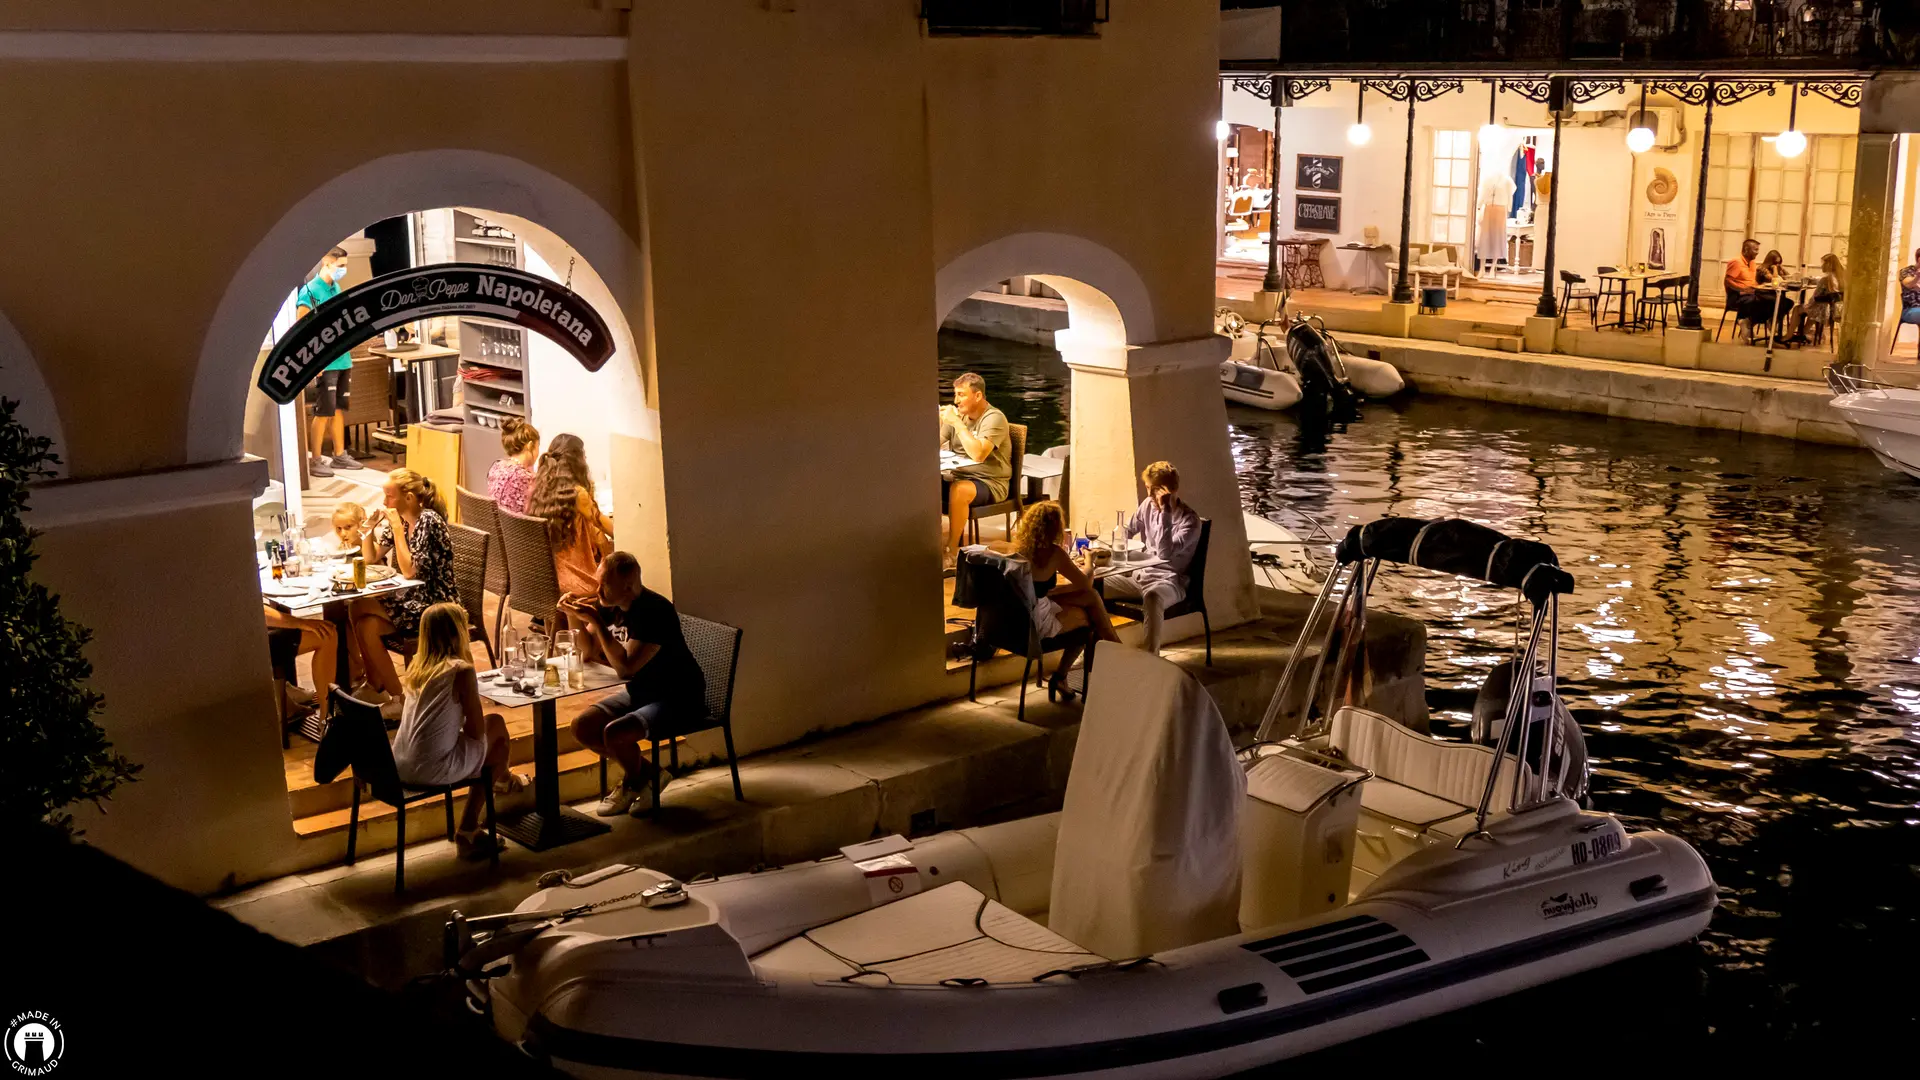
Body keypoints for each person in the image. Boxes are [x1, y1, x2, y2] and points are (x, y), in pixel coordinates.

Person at [564, 553, 707, 816]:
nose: (597, 591)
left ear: (627, 586)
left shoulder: (655, 612)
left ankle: (633, 782)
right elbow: (587, 651)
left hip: (678, 696)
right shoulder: (613, 604)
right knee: (582, 726)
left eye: (603, 584)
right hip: (643, 691)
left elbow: (625, 668)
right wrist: (572, 616)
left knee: (615, 734)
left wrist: (596, 621)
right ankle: (648, 777)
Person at [389, 602, 527, 860]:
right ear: (458, 634)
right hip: (433, 770)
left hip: (399, 766)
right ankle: (473, 821)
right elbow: (476, 732)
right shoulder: (460, 671)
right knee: (496, 727)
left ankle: (503, 782)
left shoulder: (418, 666)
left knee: (494, 741)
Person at [349, 468, 458, 716]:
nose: (385, 502)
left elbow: (410, 571)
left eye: (389, 496)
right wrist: (367, 530)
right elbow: (371, 558)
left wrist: (398, 528)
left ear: (408, 497)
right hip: (409, 598)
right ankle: (382, 688)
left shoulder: (428, 521)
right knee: (360, 615)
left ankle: (395, 696)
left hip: (433, 604)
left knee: (360, 606)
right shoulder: (399, 521)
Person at [1010, 500, 1118, 701]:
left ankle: (1113, 653)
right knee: (1088, 619)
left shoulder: (1018, 548)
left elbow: (1038, 587)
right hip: (1036, 622)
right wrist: (1089, 561)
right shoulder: (1053, 553)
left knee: (1091, 598)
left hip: (1018, 615)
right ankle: (1115, 654)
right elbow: (1086, 582)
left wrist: (1054, 590)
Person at [1103, 460, 1201, 655]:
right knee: (1096, 582)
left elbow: (1165, 554)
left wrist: (1165, 512)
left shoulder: (1190, 521)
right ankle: (1101, 648)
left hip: (1170, 582)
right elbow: (1128, 530)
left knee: (1153, 597)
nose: (1148, 495)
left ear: (1170, 490)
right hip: (1140, 577)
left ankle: (1151, 657)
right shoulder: (1147, 505)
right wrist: (1108, 545)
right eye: (1147, 488)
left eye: (1154, 489)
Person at [938, 372, 1012, 569]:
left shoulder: (994, 418)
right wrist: (936, 422)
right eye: (955, 395)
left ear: (977, 395)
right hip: (958, 475)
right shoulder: (958, 417)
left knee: (959, 490)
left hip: (990, 482)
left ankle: (951, 551)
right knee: (925, 481)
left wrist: (958, 424)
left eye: (961, 395)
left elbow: (978, 454)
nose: (956, 401)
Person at [528, 433, 615, 600]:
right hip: (574, 577)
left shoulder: (541, 486)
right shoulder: (577, 493)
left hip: (547, 575)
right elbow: (610, 529)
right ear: (578, 460)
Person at [298, 248, 359, 477]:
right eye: (340, 265)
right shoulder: (310, 292)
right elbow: (301, 329)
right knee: (323, 411)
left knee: (339, 409)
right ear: (326, 262)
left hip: (342, 358)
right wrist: (313, 362)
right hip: (325, 362)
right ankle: (315, 459)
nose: (343, 269)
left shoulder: (336, 287)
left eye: (345, 265)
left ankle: (339, 454)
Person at [1782, 253, 1845, 345]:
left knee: (1797, 309)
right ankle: (1802, 334)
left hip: (1822, 310)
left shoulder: (1826, 280)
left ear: (1829, 265)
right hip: (1832, 310)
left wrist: (1807, 306)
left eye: (1824, 263)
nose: (1822, 265)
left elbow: (1815, 298)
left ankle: (1788, 335)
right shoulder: (1840, 278)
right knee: (1811, 310)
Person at [486, 416, 540, 513]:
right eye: (537, 447)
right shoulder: (526, 478)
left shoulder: (496, 467)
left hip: (494, 526)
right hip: (517, 527)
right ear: (530, 446)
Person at [1722, 238, 1773, 340]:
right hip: (1737, 297)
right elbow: (1728, 281)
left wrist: (1763, 282)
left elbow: (1751, 281)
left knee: (1772, 299)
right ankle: (1745, 322)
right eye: (1755, 250)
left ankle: (1749, 323)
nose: (1757, 253)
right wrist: (1743, 290)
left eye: (1758, 250)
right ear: (1746, 249)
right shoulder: (1736, 262)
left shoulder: (1752, 263)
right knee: (1760, 301)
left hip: (1752, 293)